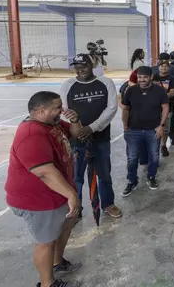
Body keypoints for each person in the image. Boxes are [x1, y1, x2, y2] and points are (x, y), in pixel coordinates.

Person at [5, 92, 83, 287]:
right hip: (37, 200)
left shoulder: (51, 124)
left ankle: (57, 263)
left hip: (56, 193)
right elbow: (45, 172)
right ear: (41, 111)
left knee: (65, 226)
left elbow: (75, 133)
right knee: (46, 241)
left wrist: (75, 120)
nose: (61, 110)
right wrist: (71, 194)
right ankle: (47, 283)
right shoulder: (31, 134)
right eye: (57, 107)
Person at [59, 53, 121, 221]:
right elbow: (64, 110)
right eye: (77, 68)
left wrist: (92, 128)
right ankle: (76, 209)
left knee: (104, 174)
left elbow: (111, 108)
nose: (80, 71)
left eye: (83, 67)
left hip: (100, 140)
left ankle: (108, 204)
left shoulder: (105, 83)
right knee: (76, 177)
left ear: (92, 64)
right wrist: (79, 129)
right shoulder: (68, 85)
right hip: (77, 140)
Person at [121, 66, 169, 194]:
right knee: (132, 158)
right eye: (139, 77)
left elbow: (165, 108)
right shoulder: (131, 90)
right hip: (133, 130)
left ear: (151, 77)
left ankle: (151, 177)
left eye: (145, 77)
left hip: (153, 130)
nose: (142, 80)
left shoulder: (159, 91)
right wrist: (125, 127)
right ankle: (132, 181)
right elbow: (125, 109)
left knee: (154, 157)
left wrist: (161, 126)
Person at [153, 59, 174, 157]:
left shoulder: (172, 79)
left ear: (169, 68)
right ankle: (155, 145)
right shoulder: (153, 77)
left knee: (165, 127)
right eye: (162, 66)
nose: (164, 68)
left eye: (166, 66)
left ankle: (163, 145)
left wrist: (160, 99)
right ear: (158, 67)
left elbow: (172, 92)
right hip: (154, 107)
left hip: (167, 106)